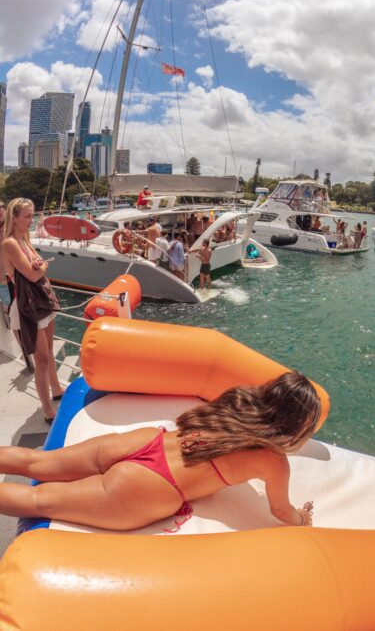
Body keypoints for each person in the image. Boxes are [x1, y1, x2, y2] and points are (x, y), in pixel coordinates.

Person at [0, 372, 319, 531]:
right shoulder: (273, 461)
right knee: (37, 502)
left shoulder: (237, 402)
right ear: (295, 424)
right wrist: (302, 518)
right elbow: (281, 512)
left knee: (34, 460)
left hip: (145, 442)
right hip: (153, 485)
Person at [1, 198, 64, 422]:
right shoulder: (10, 243)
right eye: (27, 216)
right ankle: (47, 409)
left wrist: (39, 263)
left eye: (32, 215)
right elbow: (34, 273)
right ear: (14, 218)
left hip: (42, 301)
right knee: (43, 359)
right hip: (29, 306)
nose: (32, 220)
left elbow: (35, 265)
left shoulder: (24, 239)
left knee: (49, 347)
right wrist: (44, 265)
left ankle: (56, 389)